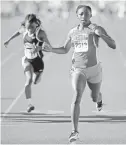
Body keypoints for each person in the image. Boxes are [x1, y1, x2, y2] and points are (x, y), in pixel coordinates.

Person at [43, 5, 116, 142]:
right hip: (78, 70)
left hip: (94, 70)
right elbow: (65, 50)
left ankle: (99, 98)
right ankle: (74, 131)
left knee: (94, 96)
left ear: (91, 15)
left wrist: (102, 36)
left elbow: (113, 45)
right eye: (81, 14)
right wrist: (51, 49)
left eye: (87, 14)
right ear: (77, 16)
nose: (84, 16)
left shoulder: (96, 29)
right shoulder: (72, 32)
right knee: (77, 96)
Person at [4, 14, 51, 113]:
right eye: (28, 27)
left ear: (36, 24)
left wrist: (40, 48)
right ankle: (29, 104)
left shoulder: (41, 33)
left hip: (38, 61)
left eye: (32, 27)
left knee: (35, 81)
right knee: (28, 81)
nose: (30, 30)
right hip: (27, 60)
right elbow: (18, 32)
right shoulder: (24, 29)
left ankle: (39, 74)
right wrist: (8, 40)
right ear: (25, 26)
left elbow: (49, 47)